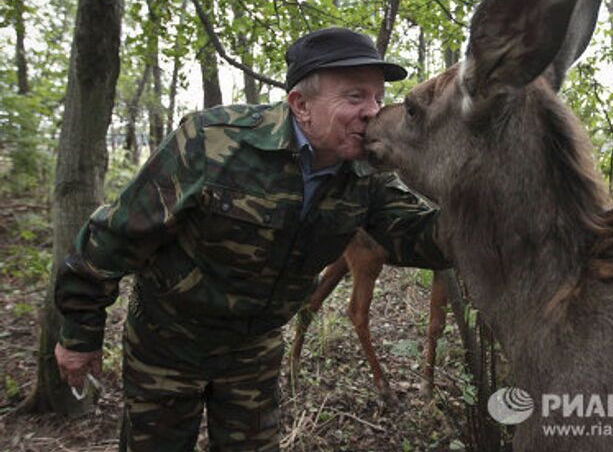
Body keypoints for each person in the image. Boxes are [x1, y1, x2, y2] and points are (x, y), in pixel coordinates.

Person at [54, 27, 451, 452]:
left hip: (254, 352)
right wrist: (79, 334)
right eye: (355, 97)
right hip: (168, 345)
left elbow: (415, 239)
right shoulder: (213, 142)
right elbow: (114, 237)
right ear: (300, 105)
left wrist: (495, 214)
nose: (373, 111)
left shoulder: (365, 176)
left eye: (377, 97)